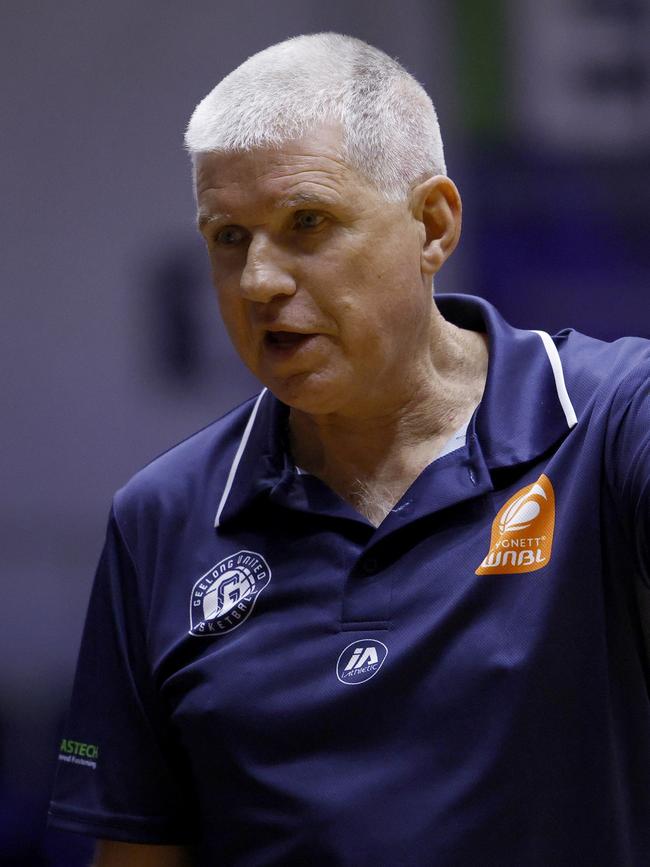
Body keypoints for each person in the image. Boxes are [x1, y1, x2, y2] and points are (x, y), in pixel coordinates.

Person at [48, 33, 650, 867]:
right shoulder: (162, 516)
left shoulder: (615, 421)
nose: (258, 279)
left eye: (307, 223)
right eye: (228, 237)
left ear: (433, 225)